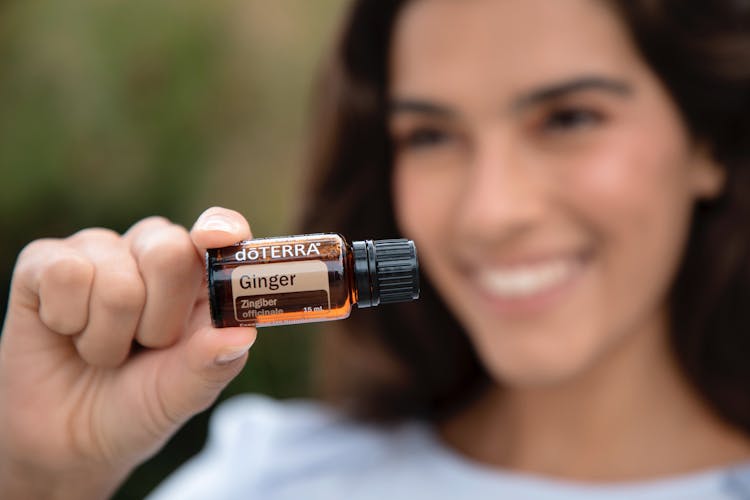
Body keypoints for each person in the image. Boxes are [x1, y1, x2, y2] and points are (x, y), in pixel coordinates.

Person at [2, 0, 750, 498]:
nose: (492, 213)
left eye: (569, 119)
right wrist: (43, 477)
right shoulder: (272, 481)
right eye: (430, 135)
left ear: (707, 141)